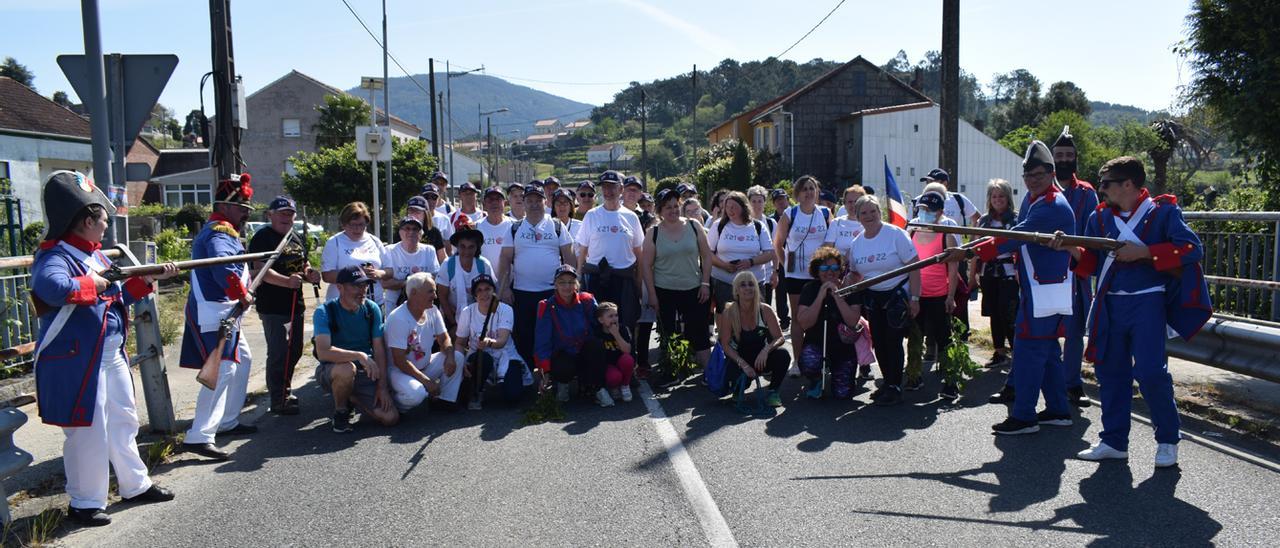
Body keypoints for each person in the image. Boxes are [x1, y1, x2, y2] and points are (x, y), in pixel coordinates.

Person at [31, 171, 178, 526]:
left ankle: (134, 484)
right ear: (85, 221)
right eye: (102, 221)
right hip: (78, 359)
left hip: (108, 354)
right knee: (88, 430)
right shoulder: (56, 256)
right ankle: (84, 501)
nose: (105, 228)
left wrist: (143, 281)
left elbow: (112, 297)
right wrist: (92, 283)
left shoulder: (94, 256)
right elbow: (50, 288)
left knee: (123, 420)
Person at [1058, 156, 1210, 467]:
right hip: (1110, 303)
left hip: (1148, 302)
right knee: (1111, 372)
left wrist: (1144, 252)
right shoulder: (1099, 218)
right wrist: (1071, 248)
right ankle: (1114, 440)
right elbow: (1090, 264)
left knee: (1152, 372)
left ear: (1128, 184)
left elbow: (1192, 249)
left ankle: (1167, 439)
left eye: (1107, 184)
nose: (1101, 190)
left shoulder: (1164, 212)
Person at [971, 141, 1077, 435]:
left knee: (1029, 349)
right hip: (1038, 287)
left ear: (1051, 173)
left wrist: (969, 251)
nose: (1033, 180)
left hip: (1046, 289)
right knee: (1047, 352)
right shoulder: (1036, 200)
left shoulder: (1052, 205)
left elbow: (1010, 238)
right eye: (1028, 175)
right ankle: (1057, 409)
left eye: (1039, 174)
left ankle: (1024, 416)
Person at [178, 173, 259, 460]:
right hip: (216, 310)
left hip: (224, 309)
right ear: (225, 206)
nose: (245, 213)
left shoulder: (223, 230)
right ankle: (200, 435)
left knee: (243, 360)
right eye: (241, 208)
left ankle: (226, 420)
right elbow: (223, 268)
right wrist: (242, 293)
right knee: (224, 369)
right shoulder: (221, 232)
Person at [846, 195, 924, 406]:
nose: (869, 216)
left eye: (873, 211)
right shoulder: (856, 243)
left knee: (893, 341)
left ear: (879, 212)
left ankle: (895, 386)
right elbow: (854, 274)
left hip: (897, 295)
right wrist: (841, 285)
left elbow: (915, 267)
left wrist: (915, 298)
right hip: (873, 298)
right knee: (878, 342)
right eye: (864, 213)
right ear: (858, 217)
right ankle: (888, 383)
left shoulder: (895, 234)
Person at [249, 195, 321, 415]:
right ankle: (278, 397)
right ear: (271, 215)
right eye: (281, 214)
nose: (286, 218)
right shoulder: (262, 237)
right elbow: (258, 269)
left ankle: (285, 390)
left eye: (290, 214)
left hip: (295, 303)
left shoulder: (295, 237)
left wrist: (309, 273)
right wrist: (286, 282)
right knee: (280, 352)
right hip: (273, 305)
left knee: (295, 350)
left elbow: (303, 262)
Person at [314, 266, 400, 432]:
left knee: (390, 418)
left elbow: (379, 350)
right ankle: (341, 412)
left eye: (364, 285)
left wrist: (382, 387)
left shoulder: (371, 308)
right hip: (333, 370)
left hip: (365, 371)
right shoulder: (324, 312)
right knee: (347, 369)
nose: (362, 291)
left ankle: (352, 397)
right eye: (355, 286)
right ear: (339, 287)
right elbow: (323, 351)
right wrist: (359, 356)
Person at [498, 184, 574, 365]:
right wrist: (505, 288)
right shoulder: (514, 228)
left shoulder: (556, 226)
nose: (534, 204)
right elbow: (505, 259)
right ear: (523, 203)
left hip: (551, 292)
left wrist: (570, 286)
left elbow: (569, 256)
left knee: (553, 334)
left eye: (538, 200)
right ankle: (528, 379)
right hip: (522, 292)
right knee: (524, 336)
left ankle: (553, 375)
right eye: (529, 200)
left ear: (545, 202)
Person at [1052, 126, 1100, 408]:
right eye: (1060, 155)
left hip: (1075, 272)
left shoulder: (1087, 193)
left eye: (1069, 155)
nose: (1065, 160)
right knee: (1039, 329)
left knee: (1073, 333)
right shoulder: (1042, 190)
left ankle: (1072, 383)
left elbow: (1092, 234)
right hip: (1044, 273)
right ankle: (1039, 382)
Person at [643, 188, 714, 372]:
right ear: (659, 211)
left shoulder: (694, 226)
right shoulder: (653, 233)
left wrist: (705, 283)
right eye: (668, 207)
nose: (673, 210)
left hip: (694, 288)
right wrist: (652, 294)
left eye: (676, 206)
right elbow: (646, 266)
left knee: (699, 332)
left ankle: (708, 372)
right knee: (669, 333)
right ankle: (671, 369)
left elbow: (707, 256)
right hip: (664, 290)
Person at [906, 191, 963, 398]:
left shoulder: (946, 234)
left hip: (939, 294)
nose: (924, 213)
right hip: (916, 295)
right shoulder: (911, 231)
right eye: (921, 209)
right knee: (914, 336)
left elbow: (953, 270)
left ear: (939, 212)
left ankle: (950, 381)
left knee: (944, 338)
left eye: (929, 210)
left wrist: (950, 296)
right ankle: (913, 375)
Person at [797, 247, 872, 400]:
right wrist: (820, 296)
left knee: (842, 394)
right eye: (824, 267)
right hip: (817, 343)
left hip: (843, 346)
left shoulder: (850, 289)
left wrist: (837, 296)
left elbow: (852, 321)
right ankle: (816, 379)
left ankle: (841, 374)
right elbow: (804, 322)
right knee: (808, 362)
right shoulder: (809, 288)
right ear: (817, 270)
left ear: (840, 270)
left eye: (834, 268)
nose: (830, 272)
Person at [773, 176, 831, 373]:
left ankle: (819, 360)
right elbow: (778, 244)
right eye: (804, 189)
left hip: (820, 275)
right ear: (797, 194)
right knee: (798, 318)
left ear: (817, 192)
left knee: (820, 317)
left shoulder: (825, 213)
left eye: (812, 188)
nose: (808, 192)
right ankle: (797, 362)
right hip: (795, 276)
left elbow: (831, 242)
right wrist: (786, 265)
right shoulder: (790, 214)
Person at [384, 272, 465, 412]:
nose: (435, 296)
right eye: (430, 291)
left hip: (424, 366)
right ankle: (393, 403)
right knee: (417, 394)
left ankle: (444, 401)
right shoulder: (398, 318)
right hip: (399, 372)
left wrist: (450, 356)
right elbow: (399, 361)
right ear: (414, 293)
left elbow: (444, 338)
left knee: (457, 357)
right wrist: (427, 382)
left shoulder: (432, 310)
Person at [576, 170, 645, 335]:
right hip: (595, 279)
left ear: (621, 189)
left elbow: (639, 253)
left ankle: (626, 359)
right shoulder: (592, 215)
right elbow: (583, 249)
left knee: (625, 325)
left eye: (612, 187)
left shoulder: (631, 217)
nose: (608, 191)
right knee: (595, 326)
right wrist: (579, 276)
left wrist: (639, 282)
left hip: (623, 280)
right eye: (605, 187)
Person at [457, 274, 532, 408]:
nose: (484, 293)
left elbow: (502, 341)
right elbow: (460, 342)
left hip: (505, 355)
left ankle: (507, 381)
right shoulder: (467, 312)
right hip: (479, 356)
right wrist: (460, 361)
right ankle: (477, 390)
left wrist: (488, 342)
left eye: (487, 289)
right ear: (474, 295)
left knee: (513, 396)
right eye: (479, 290)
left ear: (494, 291)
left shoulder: (506, 310)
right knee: (482, 358)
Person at [717, 271, 789, 407]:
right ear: (736, 290)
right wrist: (743, 364)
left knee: (783, 355)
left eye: (751, 284)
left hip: (761, 359)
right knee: (731, 371)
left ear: (756, 288)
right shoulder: (729, 312)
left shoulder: (765, 310)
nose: (748, 288)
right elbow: (725, 345)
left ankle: (773, 391)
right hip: (740, 359)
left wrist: (766, 350)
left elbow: (779, 338)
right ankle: (739, 388)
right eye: (743, 285)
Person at [534, 265, 604, 404]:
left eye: (571, 282)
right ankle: (562, 384)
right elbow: (542, 341)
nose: (567, 286)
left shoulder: (587, 300)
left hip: (584, 350)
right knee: (563, 367)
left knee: (597, 346)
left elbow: (600, 326)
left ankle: (594, 386)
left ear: (577, 284)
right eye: (562, 282)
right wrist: (545, 373)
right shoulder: (546, 306)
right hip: (563, 354)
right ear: (555, 285)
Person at [970, 180, 1020, 371]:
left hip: (1010, 274)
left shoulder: (1016, 220)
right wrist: (972, 274)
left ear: (1008, 198)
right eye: (994, 196)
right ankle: (999, 352)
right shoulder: (984, 221)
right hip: (988, 273)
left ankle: (1017, 353)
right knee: (993, 313)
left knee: (1009, 314)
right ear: (989, 200)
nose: (998, 200)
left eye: (1001, 196)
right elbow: (975, 249)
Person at [708, 191, 775, 313]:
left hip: (753, 282)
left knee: (754, 319)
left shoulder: (758, 226)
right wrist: (724, 265)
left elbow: (770, 253)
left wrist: (751, 262)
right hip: (724, 282)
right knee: (727, 318)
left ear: (744, 207)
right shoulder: (719, 225)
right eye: (727, 207)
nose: (730, 210)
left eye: (734, 206)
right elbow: (708, 254)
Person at [321, 202, 390, 307]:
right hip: (343, 305)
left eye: (361, 224)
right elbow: (327, 275)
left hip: (374, 303)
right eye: (352, 224)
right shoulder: (334, 242)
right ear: (344, 224)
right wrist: (357, 274)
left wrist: (378, 273)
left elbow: (389, 270)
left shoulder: (374, 241)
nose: (357, 229)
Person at [437, 221, 493, 326]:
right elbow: (442, 296)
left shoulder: (484, 265)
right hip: (451, 315)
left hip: (479, 316)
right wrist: (454, 324)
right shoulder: (448, 265)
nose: (467, 251)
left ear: (477, 247)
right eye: (463, 246)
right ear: (457, 247)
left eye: (471, 247)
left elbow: (490, 295)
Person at [381, 216, 441, 315]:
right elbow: (385, 283)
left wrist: (415, 283)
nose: (411, 232)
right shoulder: (389, 251)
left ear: (421, 234)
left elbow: (436, 278)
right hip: (395, 306)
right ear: (400, 232)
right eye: (407, 228)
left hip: (423, 305)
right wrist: (408, 282)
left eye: (415, 229)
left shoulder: (429, 250)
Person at [589, 302, 636, 404]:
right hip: (608, 365)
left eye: (616, 315)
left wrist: (616, 334)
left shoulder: (623, 329)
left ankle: (625, 385)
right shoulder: (597, 333)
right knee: (614, 377)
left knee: (628, 359)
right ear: (601, 320)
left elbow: (627, 350)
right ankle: (613, 386)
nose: (614, 319)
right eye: (610, 316)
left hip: (620, 361)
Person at [767, 188, 792, 329]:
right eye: (778, 200)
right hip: (778, 257)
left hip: (793, 256)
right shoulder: (771, 220)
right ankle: (784, 319)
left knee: (795, 289)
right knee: (780, 290)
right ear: (774, 203)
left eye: (783, 199)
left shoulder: (794, 216)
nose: (781, 202)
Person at [476, 186, 513, 275]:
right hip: (484, 284)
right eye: (490, 200)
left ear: (504, 203)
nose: (494, 203)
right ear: (484, 204)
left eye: (498, 199)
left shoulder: (514, 226)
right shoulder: (476, 227)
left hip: (509, 283)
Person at [824, 185, 867, 261]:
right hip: (841, 267)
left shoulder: (869, 224)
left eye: (856, 201)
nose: (853, 205)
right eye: (850, 202)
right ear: (844, 204)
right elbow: (828, 249)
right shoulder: (836, 223)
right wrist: (843, 258)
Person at [404, 194, 448, 260]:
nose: (414, 214)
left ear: (425, 214)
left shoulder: (434, 232)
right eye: (411, 211)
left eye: (418, 211)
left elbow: (442, 259)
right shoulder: (402, 231)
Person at [419, 188, 455, 256]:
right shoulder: (414, 219)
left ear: (438, 199)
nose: (430, 200)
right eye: (426, 197)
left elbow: (449, 249)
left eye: (434, 197)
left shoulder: (444, 219)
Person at [552, 187, 585, 256]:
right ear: (554, 208)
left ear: (571, 207)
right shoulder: (547, 226)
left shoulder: (580, 226)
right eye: (558, 203)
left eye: (565, 203)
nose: (562, 206)